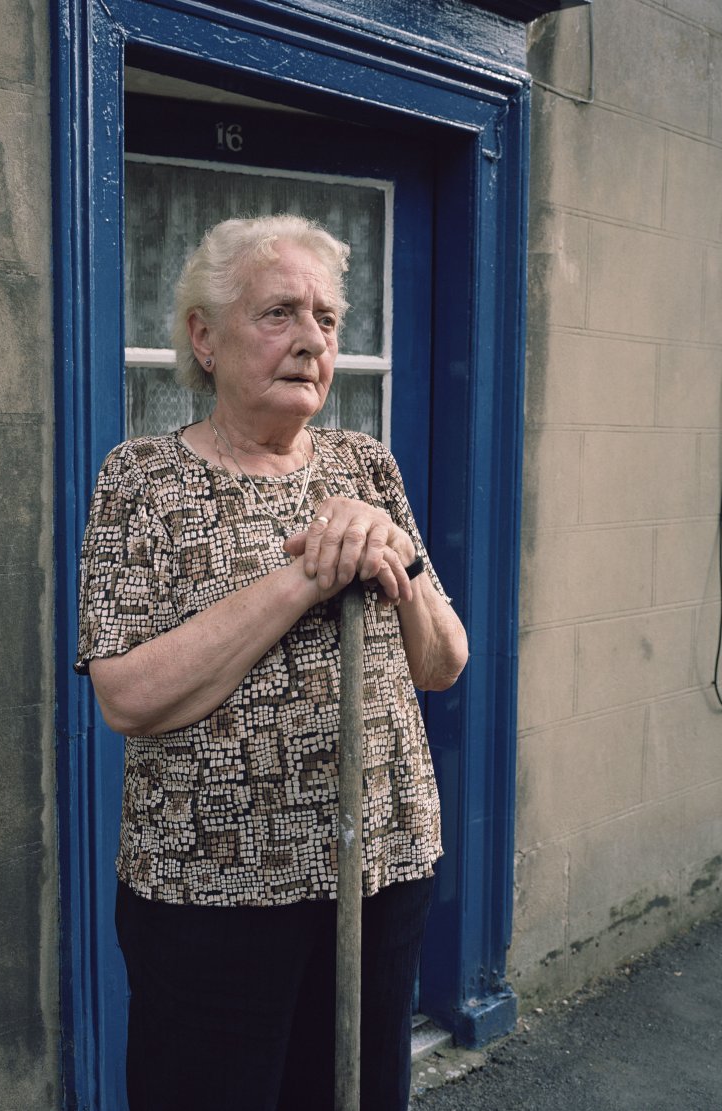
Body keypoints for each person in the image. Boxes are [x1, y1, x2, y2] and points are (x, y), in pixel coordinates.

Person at [74, 214, 469, 1111]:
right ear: (204, 337)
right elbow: (127, 695)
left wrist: (394, 551)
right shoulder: (143, 480)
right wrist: (306, 576)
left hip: (379, 869)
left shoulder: (366, 467)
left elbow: (443, 662)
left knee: (356, 1093)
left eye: (327, 319)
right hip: (211, 892)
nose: (312, 340)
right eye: (279, 312)